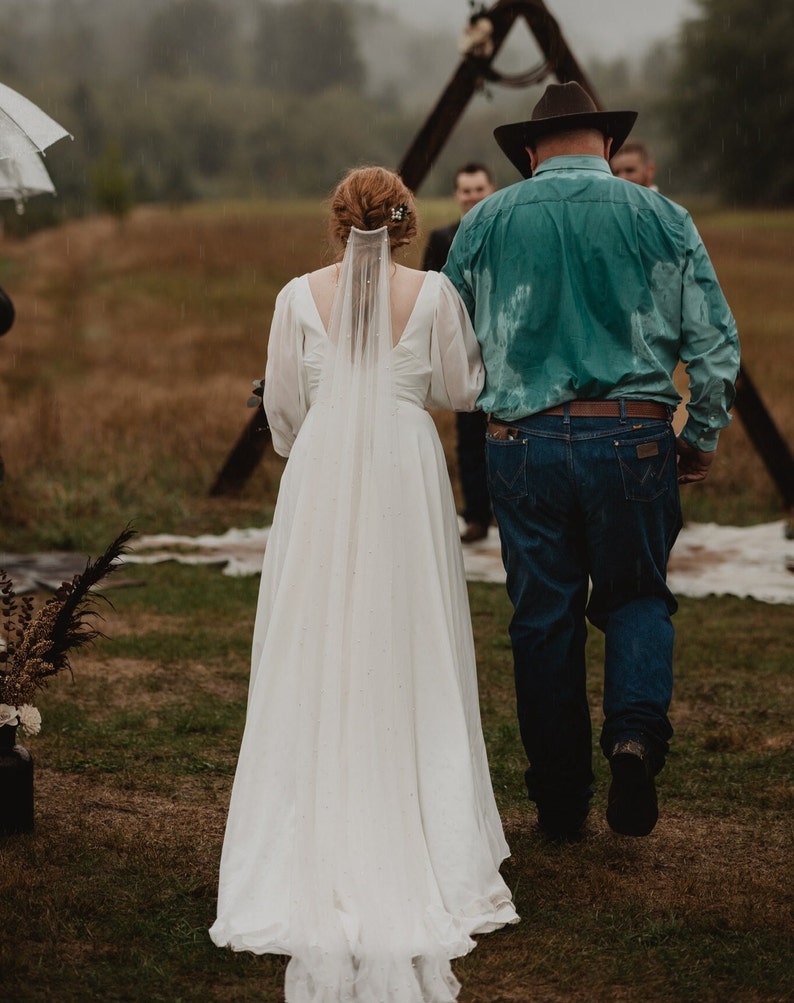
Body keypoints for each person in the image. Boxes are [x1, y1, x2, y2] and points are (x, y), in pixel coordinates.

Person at [210, 166, 518, 1002]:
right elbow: (463, 390)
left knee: (316, 635)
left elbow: (281, 413)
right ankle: (423, 823)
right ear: (406, 223)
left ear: (338, 223)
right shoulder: (436, 293)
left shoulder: (294, 296)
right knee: (411, 636)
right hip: (406, 464)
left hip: (321, 469)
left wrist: (326, 430)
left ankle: (311, 815)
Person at [443, 82, 739, 841]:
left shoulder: (484, 222)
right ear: (606, 146)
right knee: (637, 596)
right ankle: (634, 738)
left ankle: (561, 798)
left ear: (531, 153)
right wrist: (700, 433)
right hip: (633, 437)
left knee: (543, 618)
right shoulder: (662, 216)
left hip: (522, 443)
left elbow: (447, 341)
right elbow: (712, 344)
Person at [423, 163, 495, 543]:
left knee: (510, 433)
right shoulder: (441, 237)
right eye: (466, 190)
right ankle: (476, 516)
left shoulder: (506, 231)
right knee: (468, 436)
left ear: (491, 188)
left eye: (479, 188)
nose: (472, 196)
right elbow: (428, 295)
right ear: (457, 194)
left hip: (504, 351)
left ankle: (506, 510)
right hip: (463, 349)